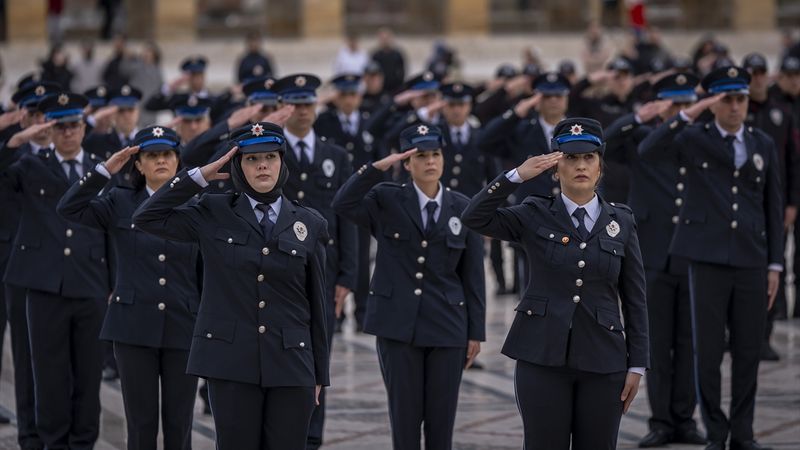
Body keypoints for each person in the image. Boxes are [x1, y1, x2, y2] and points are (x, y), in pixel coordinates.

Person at [132, 122, 329, 450]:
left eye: (270, 156)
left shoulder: (308, 223)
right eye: (252, 159)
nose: (262, 164)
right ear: (238, 165)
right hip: (231, 362)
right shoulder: (213, 211)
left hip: (292, 364)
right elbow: (146, 217)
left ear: (282, 162)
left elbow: (316, 304)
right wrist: (198, 177)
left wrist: (320, 372)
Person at [461, 117, 649, 450]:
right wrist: (516, 176)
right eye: (570, 158)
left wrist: (637, 364)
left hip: (604, 359)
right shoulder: (533, 213)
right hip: (541, 356)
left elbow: (634, 298)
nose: (580, 166)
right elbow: (475, 217)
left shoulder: (622, 221)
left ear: (600, 167)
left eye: (589, 158)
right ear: (554, 168)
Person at [639, 66, 783, 450]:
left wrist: (775, 265)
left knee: (748, 351)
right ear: (714, 101)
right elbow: (648, 149)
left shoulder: (761, 143)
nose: (736, 107)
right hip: (706, 259)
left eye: (741, 99)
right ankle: (716, 433)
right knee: (707, 354)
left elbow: (772, 206)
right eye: (727, 99)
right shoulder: (694, 137)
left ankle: (744, 432)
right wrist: (690, 111)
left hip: (751, 260)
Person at [332, 123, 486, 450]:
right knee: (404, 421)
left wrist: (476, 331)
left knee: (441, 423)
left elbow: (473, 276)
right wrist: (375, 169)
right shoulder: (387, 198)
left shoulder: (463, 206)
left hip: (447, 326)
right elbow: (343, 203)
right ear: (406, 162)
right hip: (397, 326)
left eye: (435, 154)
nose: (430, 161)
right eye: (421, 155)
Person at [57, 126, 200, 450]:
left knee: (180, 425)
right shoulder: (119, 200)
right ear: (138, 164)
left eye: (167, 154)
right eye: (151, 155)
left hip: (183, 324)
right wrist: (105, 169)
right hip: (133, 328)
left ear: (178, 160)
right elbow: (69, 207)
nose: (160, 160)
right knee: (141, 424)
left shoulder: (197, 204)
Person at [0, 92, 110, 449]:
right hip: (45, 284)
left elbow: (114, 226)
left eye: (73, 125)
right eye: (60, 126)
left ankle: (83, 442)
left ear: (83, 126)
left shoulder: (101, 167)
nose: (67, 133)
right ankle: (52, 442)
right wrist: (14, 142)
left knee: (88, 374)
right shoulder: (30, 165)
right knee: (47, 374)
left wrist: (113, 282)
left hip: (91, 282)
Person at [604, 73, 707, 447]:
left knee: (690, 343)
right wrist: (639, 116)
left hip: (693, 252)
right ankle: (661, 420)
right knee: (657, 345)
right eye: (673, 105)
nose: (680, 112)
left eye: (685, 104)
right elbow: (606, 144)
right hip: (653, 254)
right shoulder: (639, 137)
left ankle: (686, 419)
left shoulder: (702, 137)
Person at [273, 73, 358, 448]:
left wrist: (349, 275)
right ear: (282, 108)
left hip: (323, 270)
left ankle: (312, 436)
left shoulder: (335, 155)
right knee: (282, 348)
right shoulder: (270, 154)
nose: (304, 111)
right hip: (280, 269)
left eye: (308, 103)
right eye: (295, 104)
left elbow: (346, 217)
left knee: (318, 354)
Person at [0, 80, 60, 445]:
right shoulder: (11, 155)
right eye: (33, 115)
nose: (40, 122)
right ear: (22, 118)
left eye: (46, 115)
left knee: (58, 357)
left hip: (61, 270)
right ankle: (30, 432)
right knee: (24, 355)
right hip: (15, 266)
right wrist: (11, 141)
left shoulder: (66, 157)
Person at [742, 52, 800, 358]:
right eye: (752, 72)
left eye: (762, 71)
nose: (758, 77)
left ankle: (765, 331)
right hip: (744, 201)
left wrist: (792, 201)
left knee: (773, 265)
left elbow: (792, 160)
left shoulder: (780, 113)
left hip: (774, 201)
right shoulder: (737, 109)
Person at [370, 27, 406, 93]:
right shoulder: (375, 55)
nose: (385, 40)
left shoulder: (397, 54)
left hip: (395, 88)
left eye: (387, 38)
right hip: (380, 89)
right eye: (383, 38)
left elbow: (402, 70)